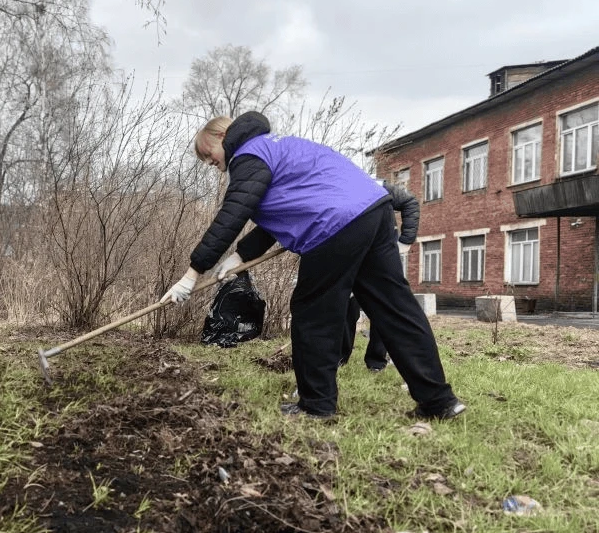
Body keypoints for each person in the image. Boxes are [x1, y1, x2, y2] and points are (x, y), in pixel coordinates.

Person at [161, 111, 464, 421]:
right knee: (395, 307)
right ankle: (439, 401)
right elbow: (284, 210)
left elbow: (232, 214)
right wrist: (240, 256)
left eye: (207, 153)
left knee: (314, 312)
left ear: (223, 137)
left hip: (335, 223)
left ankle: (317, 405)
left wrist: (192, 273)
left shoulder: (248, 155)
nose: (209, 162)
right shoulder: (277, 147)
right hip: (374, 210)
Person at [341, 180, 420, 372]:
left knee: (383, 308)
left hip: (380, 257)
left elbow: (410, 202)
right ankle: (340, 358)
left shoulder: (377, 185)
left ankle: (376, 361)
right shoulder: (337, 192)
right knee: (347, 307)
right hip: (351, 255)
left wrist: (405, 242)